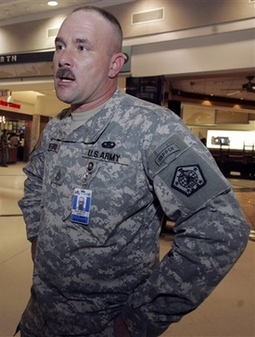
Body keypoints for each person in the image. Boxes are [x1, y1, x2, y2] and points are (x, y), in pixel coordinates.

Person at [17, 6, 250, 337]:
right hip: (40, 316)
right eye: (60, 46)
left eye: (81, 47)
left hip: (104, 326)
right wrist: (37, 238)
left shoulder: (152, 128)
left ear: (115, 64)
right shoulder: (57, 127)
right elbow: (35, 181)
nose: (64, 59)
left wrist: (140, 318)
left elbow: (220, 229)